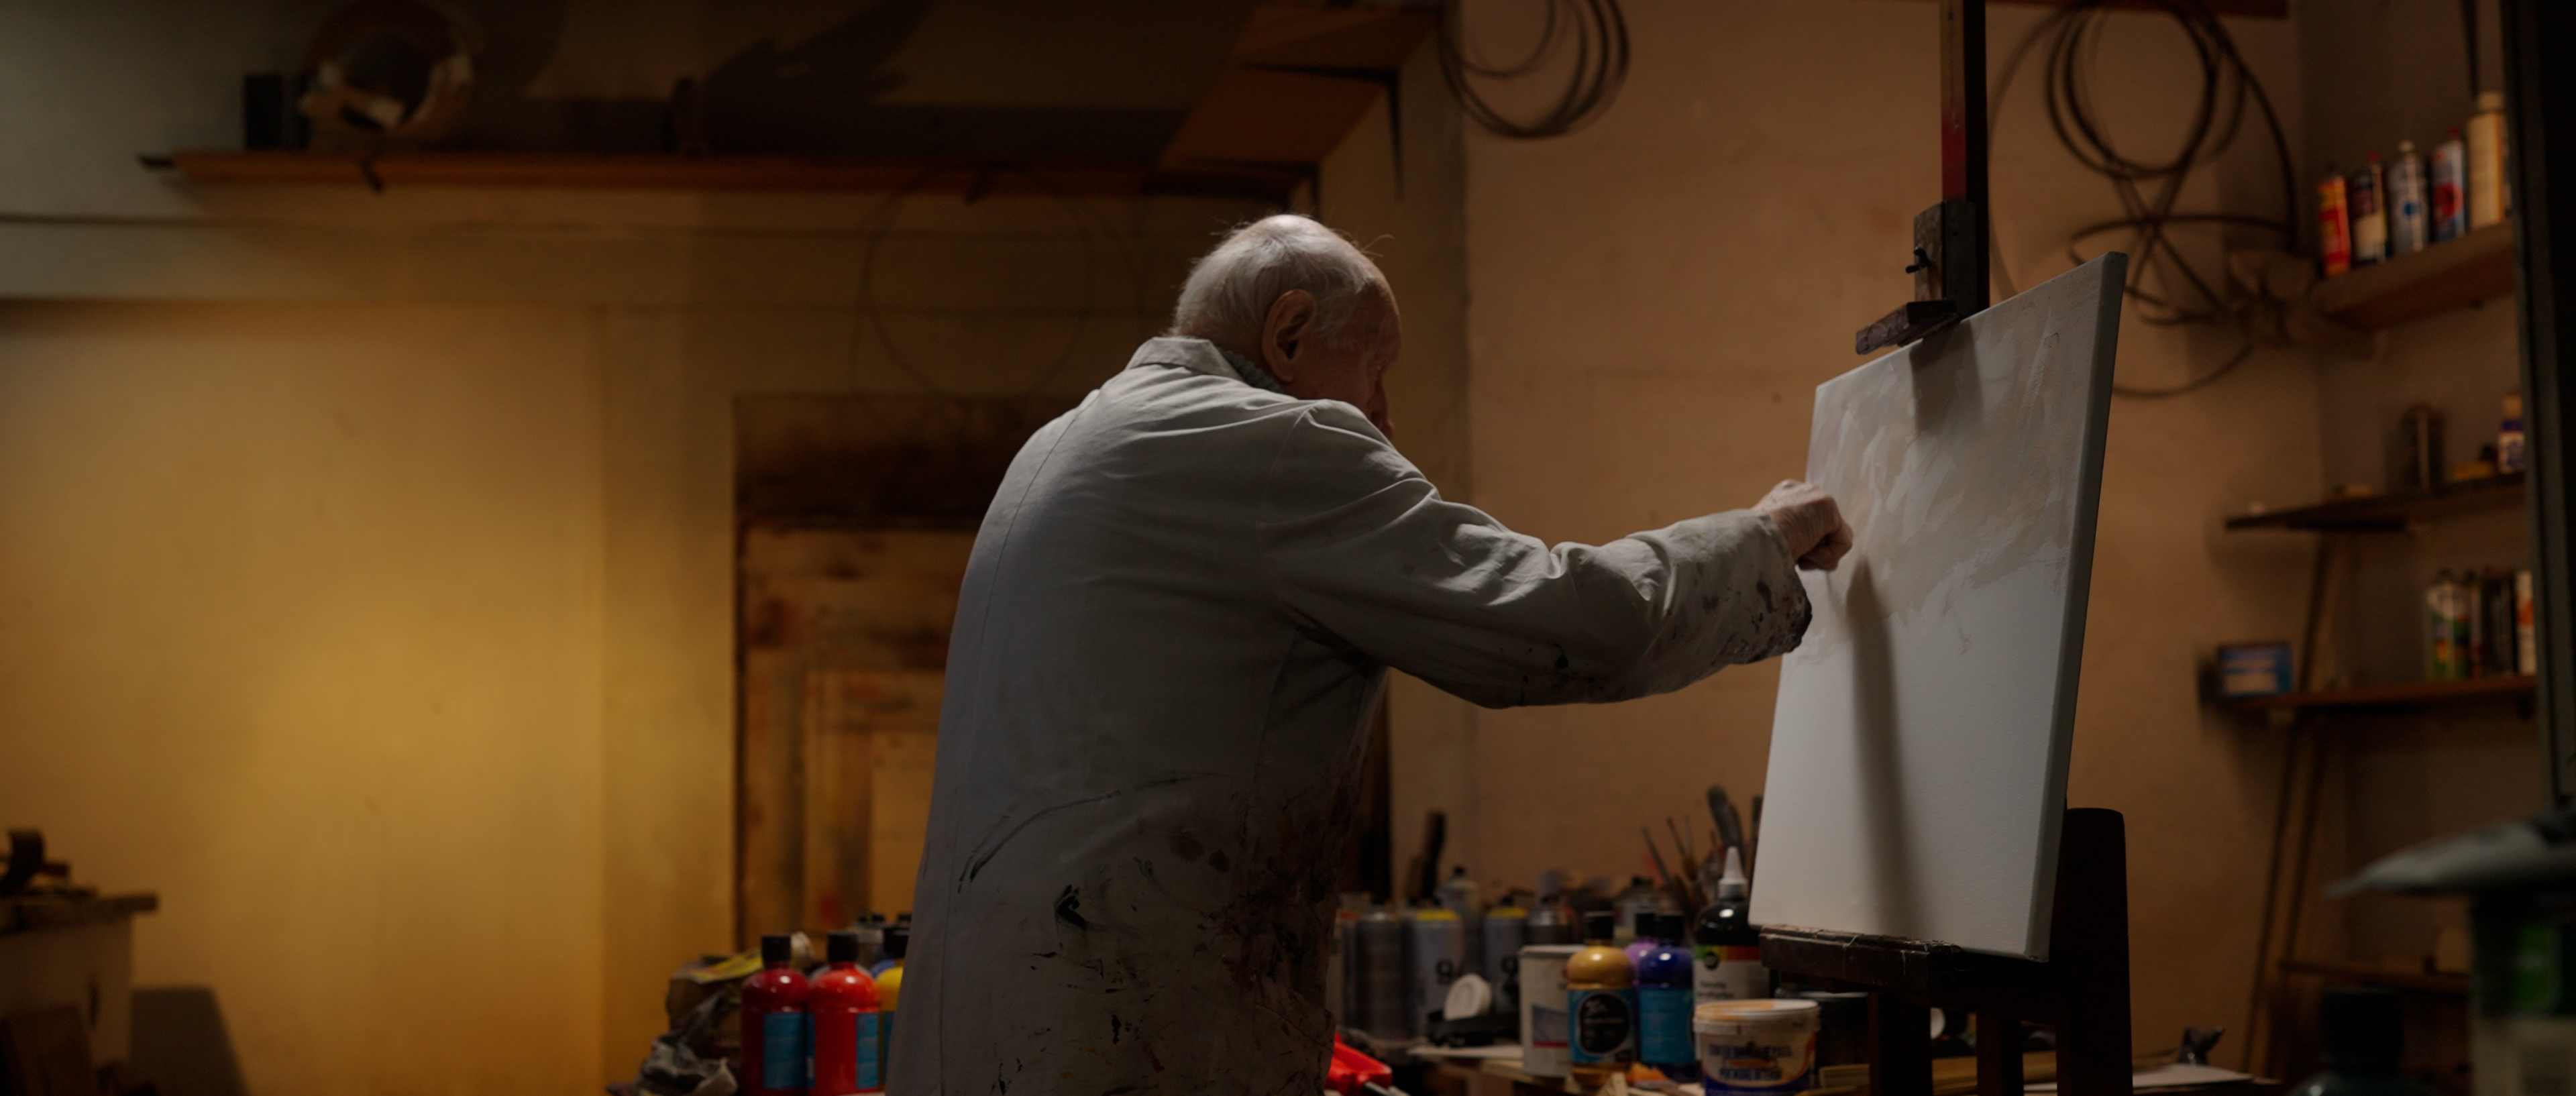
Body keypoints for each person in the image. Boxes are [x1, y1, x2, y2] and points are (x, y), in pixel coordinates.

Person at [889, 215, 1851, 1095]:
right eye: (1376, 367)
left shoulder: (1062, 444)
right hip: (1122, 1037)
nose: (1385, 415)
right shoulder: (1274, 442)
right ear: (1289, 335)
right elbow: (1562, 627)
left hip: (988, 1035)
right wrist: (1760, 546)